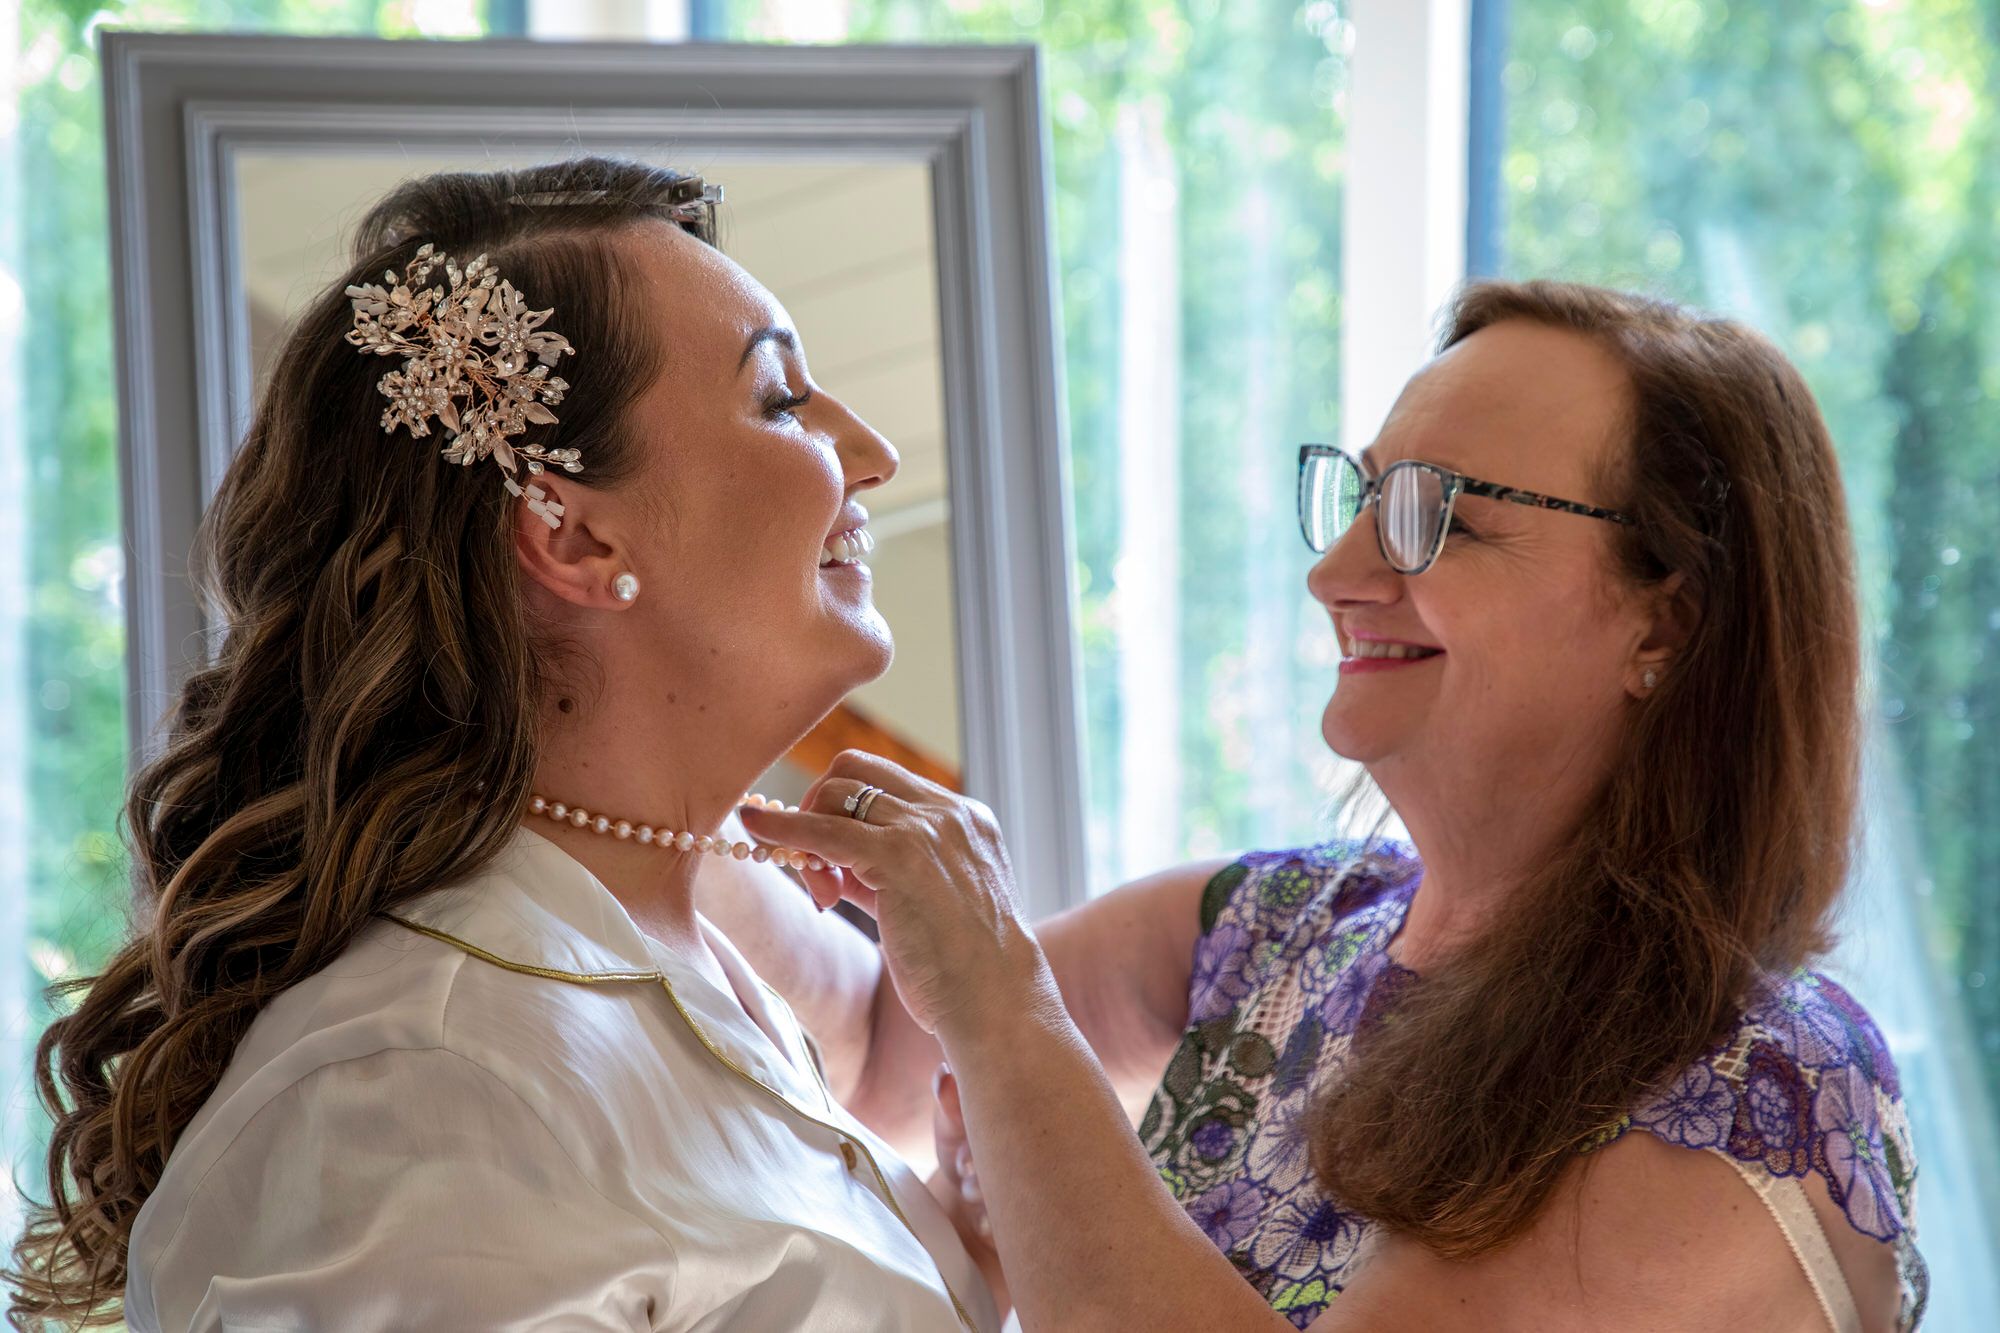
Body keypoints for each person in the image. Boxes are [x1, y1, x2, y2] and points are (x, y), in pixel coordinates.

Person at [734, 280, 1927, 1331]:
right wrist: (654, 810)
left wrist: (1002, 1004)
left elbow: (974, 1026)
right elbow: (895, 1044)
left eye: (1434, 517)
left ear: (1661, 620)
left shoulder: (1746, 1082)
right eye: (1358, 499)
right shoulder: (1288, 926)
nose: (1334, 574)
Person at [6, 156, 998, 1331]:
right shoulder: (417, 1093)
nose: (870, 452)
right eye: (780, 400)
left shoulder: (691, 969)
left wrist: (971, 1253)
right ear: (570, 533)